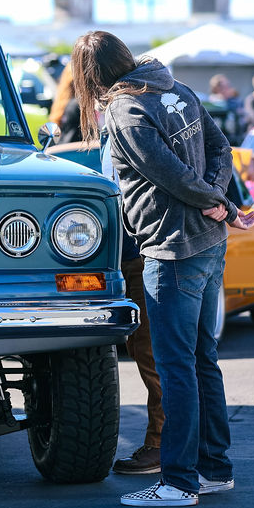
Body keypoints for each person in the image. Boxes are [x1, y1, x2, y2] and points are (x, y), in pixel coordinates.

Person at [69, 31, 254, 507]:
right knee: (201, 360)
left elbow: (168, 175)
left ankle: (178, 481)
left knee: (177, 368)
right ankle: (214, 471)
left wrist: (215, 202)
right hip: (209, 244)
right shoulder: (174, 89)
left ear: (88, 74)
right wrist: (221, 204)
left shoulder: (124, 109)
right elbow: (221, 151)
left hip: (171, 250)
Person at [94, 103, 162, 475]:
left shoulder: (130, 119)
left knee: (153, 353)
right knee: (145, 349)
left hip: (142, 250)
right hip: (130, 252)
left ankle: (162, 444)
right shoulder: (121, 122)